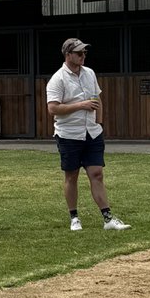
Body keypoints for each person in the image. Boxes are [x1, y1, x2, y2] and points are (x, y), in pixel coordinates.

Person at [46, 37, 130, 232]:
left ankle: (108, 218)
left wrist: (99, 123)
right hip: (69, 134)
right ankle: (74, 217)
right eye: (79, 53)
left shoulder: (89, 73)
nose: (83, 56)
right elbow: (52, 109)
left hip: (92, 133)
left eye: (84, 53)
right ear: (68, 55)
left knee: (97, 173)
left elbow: (97, 98)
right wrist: (80, 106)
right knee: (71, 176)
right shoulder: (57, 79)